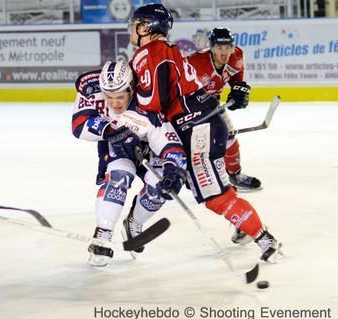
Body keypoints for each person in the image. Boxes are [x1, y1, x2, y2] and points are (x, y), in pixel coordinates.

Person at [127, 3, 284, 263]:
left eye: (134, 25)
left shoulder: (149, 53)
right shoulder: (164, 50)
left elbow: (154, 102)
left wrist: (139, 129)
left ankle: (263, 237)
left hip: (193, 128)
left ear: (147, 27)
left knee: (214, 196)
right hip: (196, 125)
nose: (131, 30)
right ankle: (133, 222)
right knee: (172, 184)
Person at [72, 60, 187, 266]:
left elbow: (169, 144)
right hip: (117, 147)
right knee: (119, 175)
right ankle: (103, 233)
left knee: (159, 188)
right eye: (110, 97)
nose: (115, 103)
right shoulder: (94, 92)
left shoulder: (147, 104)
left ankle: (134, 222)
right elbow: (78, 124)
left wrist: (174, 170)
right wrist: (110, 131)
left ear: (131, 89)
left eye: (120, 97)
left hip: (150, 150)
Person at [187, 27, 261, 192]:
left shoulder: (237, 56)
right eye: (220, 47)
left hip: (213, 105)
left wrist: (237, 90)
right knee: (204, 147)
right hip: (191, 108)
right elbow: (180, 89)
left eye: (228, 47)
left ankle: (235, 175)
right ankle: (202, 180)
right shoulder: (195, 63)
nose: (224, 52)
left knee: (230, 139)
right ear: (211, 47)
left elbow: (236, 78)